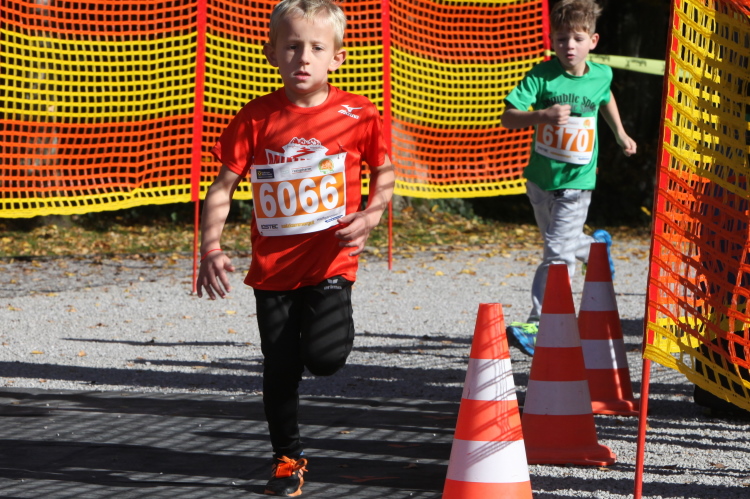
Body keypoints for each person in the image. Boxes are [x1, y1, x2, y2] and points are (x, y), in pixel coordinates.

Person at [196, 0, 395, 495]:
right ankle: (287, 459)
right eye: (291, 47)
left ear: (337, 58)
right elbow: (222, 187)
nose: (303, 57)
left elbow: (385, 171)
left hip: (331, 261)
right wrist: (211, 247)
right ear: (272, 54)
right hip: (273, 270)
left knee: (325, 358)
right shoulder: (256, 117)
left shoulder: (358, 113)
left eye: (316, 48)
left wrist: (371, 214)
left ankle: (320, 338)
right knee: (280, 368)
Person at [500, 0, 637, 356]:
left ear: (593, 40)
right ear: (552, 41)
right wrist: (542, 115)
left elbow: (605, 97)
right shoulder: (541, 76)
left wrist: (620, 133)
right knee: (557, 243)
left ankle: (538, 323)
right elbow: (508, 117)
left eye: (577, 38)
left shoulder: (601, 75)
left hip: (577, 181)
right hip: (540, 179)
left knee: (556, 255)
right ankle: (594, 249)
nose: (569, 46)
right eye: (561, 39)